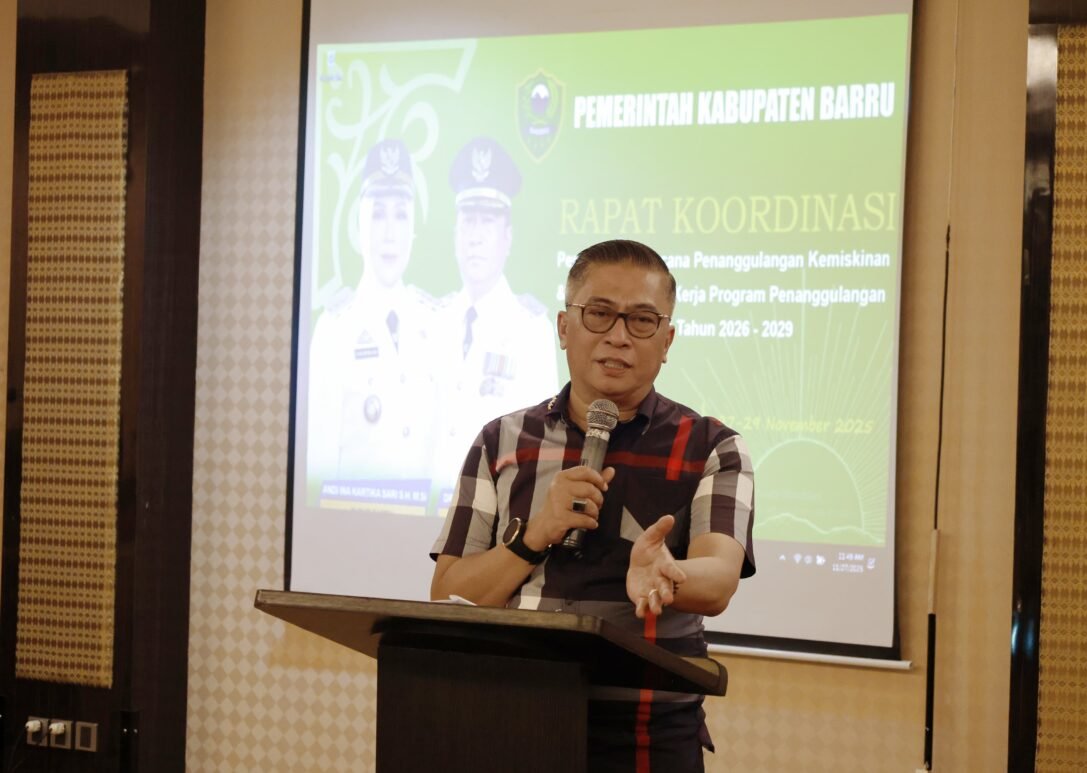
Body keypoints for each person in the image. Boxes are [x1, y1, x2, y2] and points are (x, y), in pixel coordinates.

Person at [430, 239, 756, 772]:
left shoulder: (712, 447)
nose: (618, 337)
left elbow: (719, 579)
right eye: (599, 313)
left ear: (667, 340)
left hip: (647, 736)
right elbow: (449, 594)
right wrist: (533, 536)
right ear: (564, 327)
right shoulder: (500, 441)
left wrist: (667, 574)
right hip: (512, 718)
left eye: (642, 320)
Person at [307, 138, 439, 503]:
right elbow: (318, 465)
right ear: (358, 225)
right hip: (352, 524)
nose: (389, 233)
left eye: (401, 215)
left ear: (414, 229)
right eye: (378, 214)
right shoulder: (334, 327)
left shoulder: (435, 325)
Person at [433, 136, 558, 498]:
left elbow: (543, 447)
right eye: (468, 221)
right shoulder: (433, 322)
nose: (475, 237)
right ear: (455, 233)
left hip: (499, 509)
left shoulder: (530, 329)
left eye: (487, 222)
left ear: (507, 237)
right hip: (424, 508)